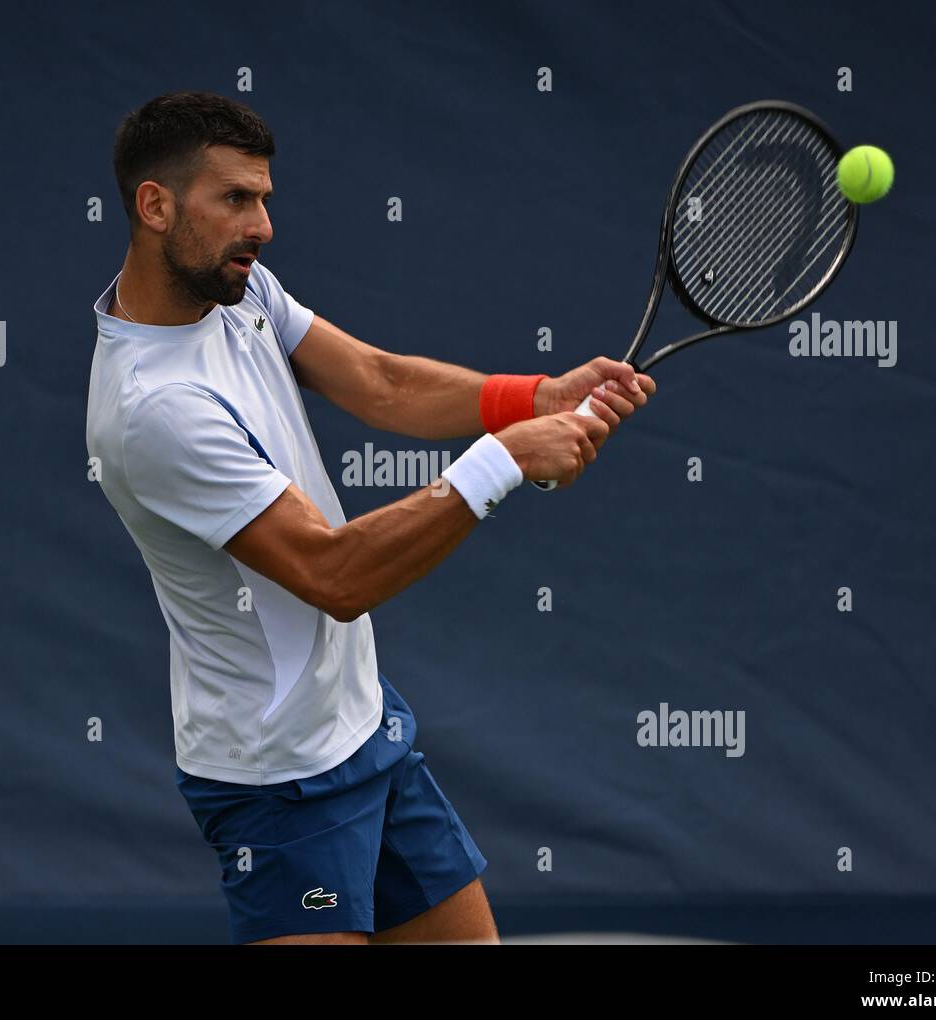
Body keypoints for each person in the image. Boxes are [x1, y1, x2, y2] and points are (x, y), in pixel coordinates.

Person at [85, 90, 655, 945]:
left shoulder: (239, 293)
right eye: (236, 199)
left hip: (363, 727)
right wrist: (504, 458)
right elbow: (335, 575)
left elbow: (381, 381)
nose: (264, 224)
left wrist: (532, 397)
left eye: (266, 198)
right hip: (279, 786)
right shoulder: (154, 410)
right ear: (155, 205)